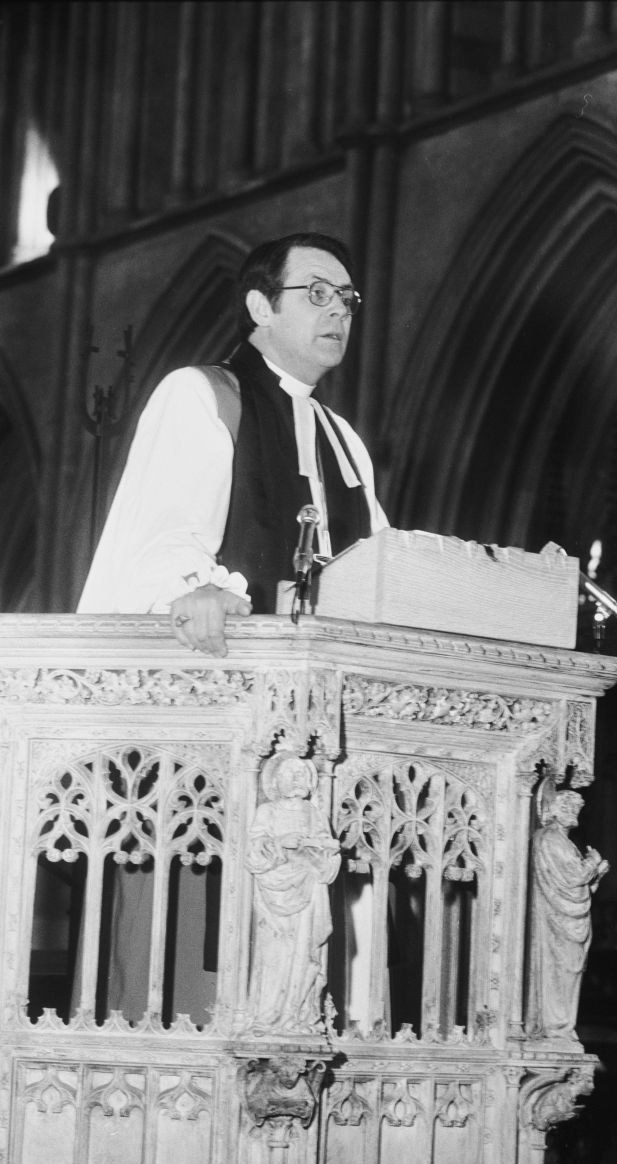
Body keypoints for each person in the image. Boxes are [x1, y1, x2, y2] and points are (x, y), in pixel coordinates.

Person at [78, 232, 388, 654]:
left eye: (347, 298)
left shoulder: (343, 439)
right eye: (318, 292)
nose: (339, 309)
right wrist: (195, 590)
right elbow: (164, 537)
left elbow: (382, 566)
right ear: (262, 308)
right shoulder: (202, 393)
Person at [246, 751, 341, 1033]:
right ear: (276, 780)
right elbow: (253, 852)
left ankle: (299, 1015)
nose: (298, 779)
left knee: (305, 954)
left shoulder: (313, 813)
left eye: (302, 774)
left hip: (309, 890)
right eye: (291, 774)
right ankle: (268, 1016)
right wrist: (281, 843)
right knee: (276, 955)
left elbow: (326, 850)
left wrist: (324, 850)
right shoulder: (268, 812)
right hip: (274, 892)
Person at [530, 781, 608, 1042]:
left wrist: (595, 877)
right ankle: (556, 1027)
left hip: (568, 919)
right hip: (556, 922)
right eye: (569, 807)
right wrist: (592, 863)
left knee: (568, 973)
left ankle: (562, 1028)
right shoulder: (550, 839)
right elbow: (573, 878)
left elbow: (575, 888)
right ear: (555, 809)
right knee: (559, 971)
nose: (575, 812)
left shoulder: (563, 841)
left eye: (577, 808)